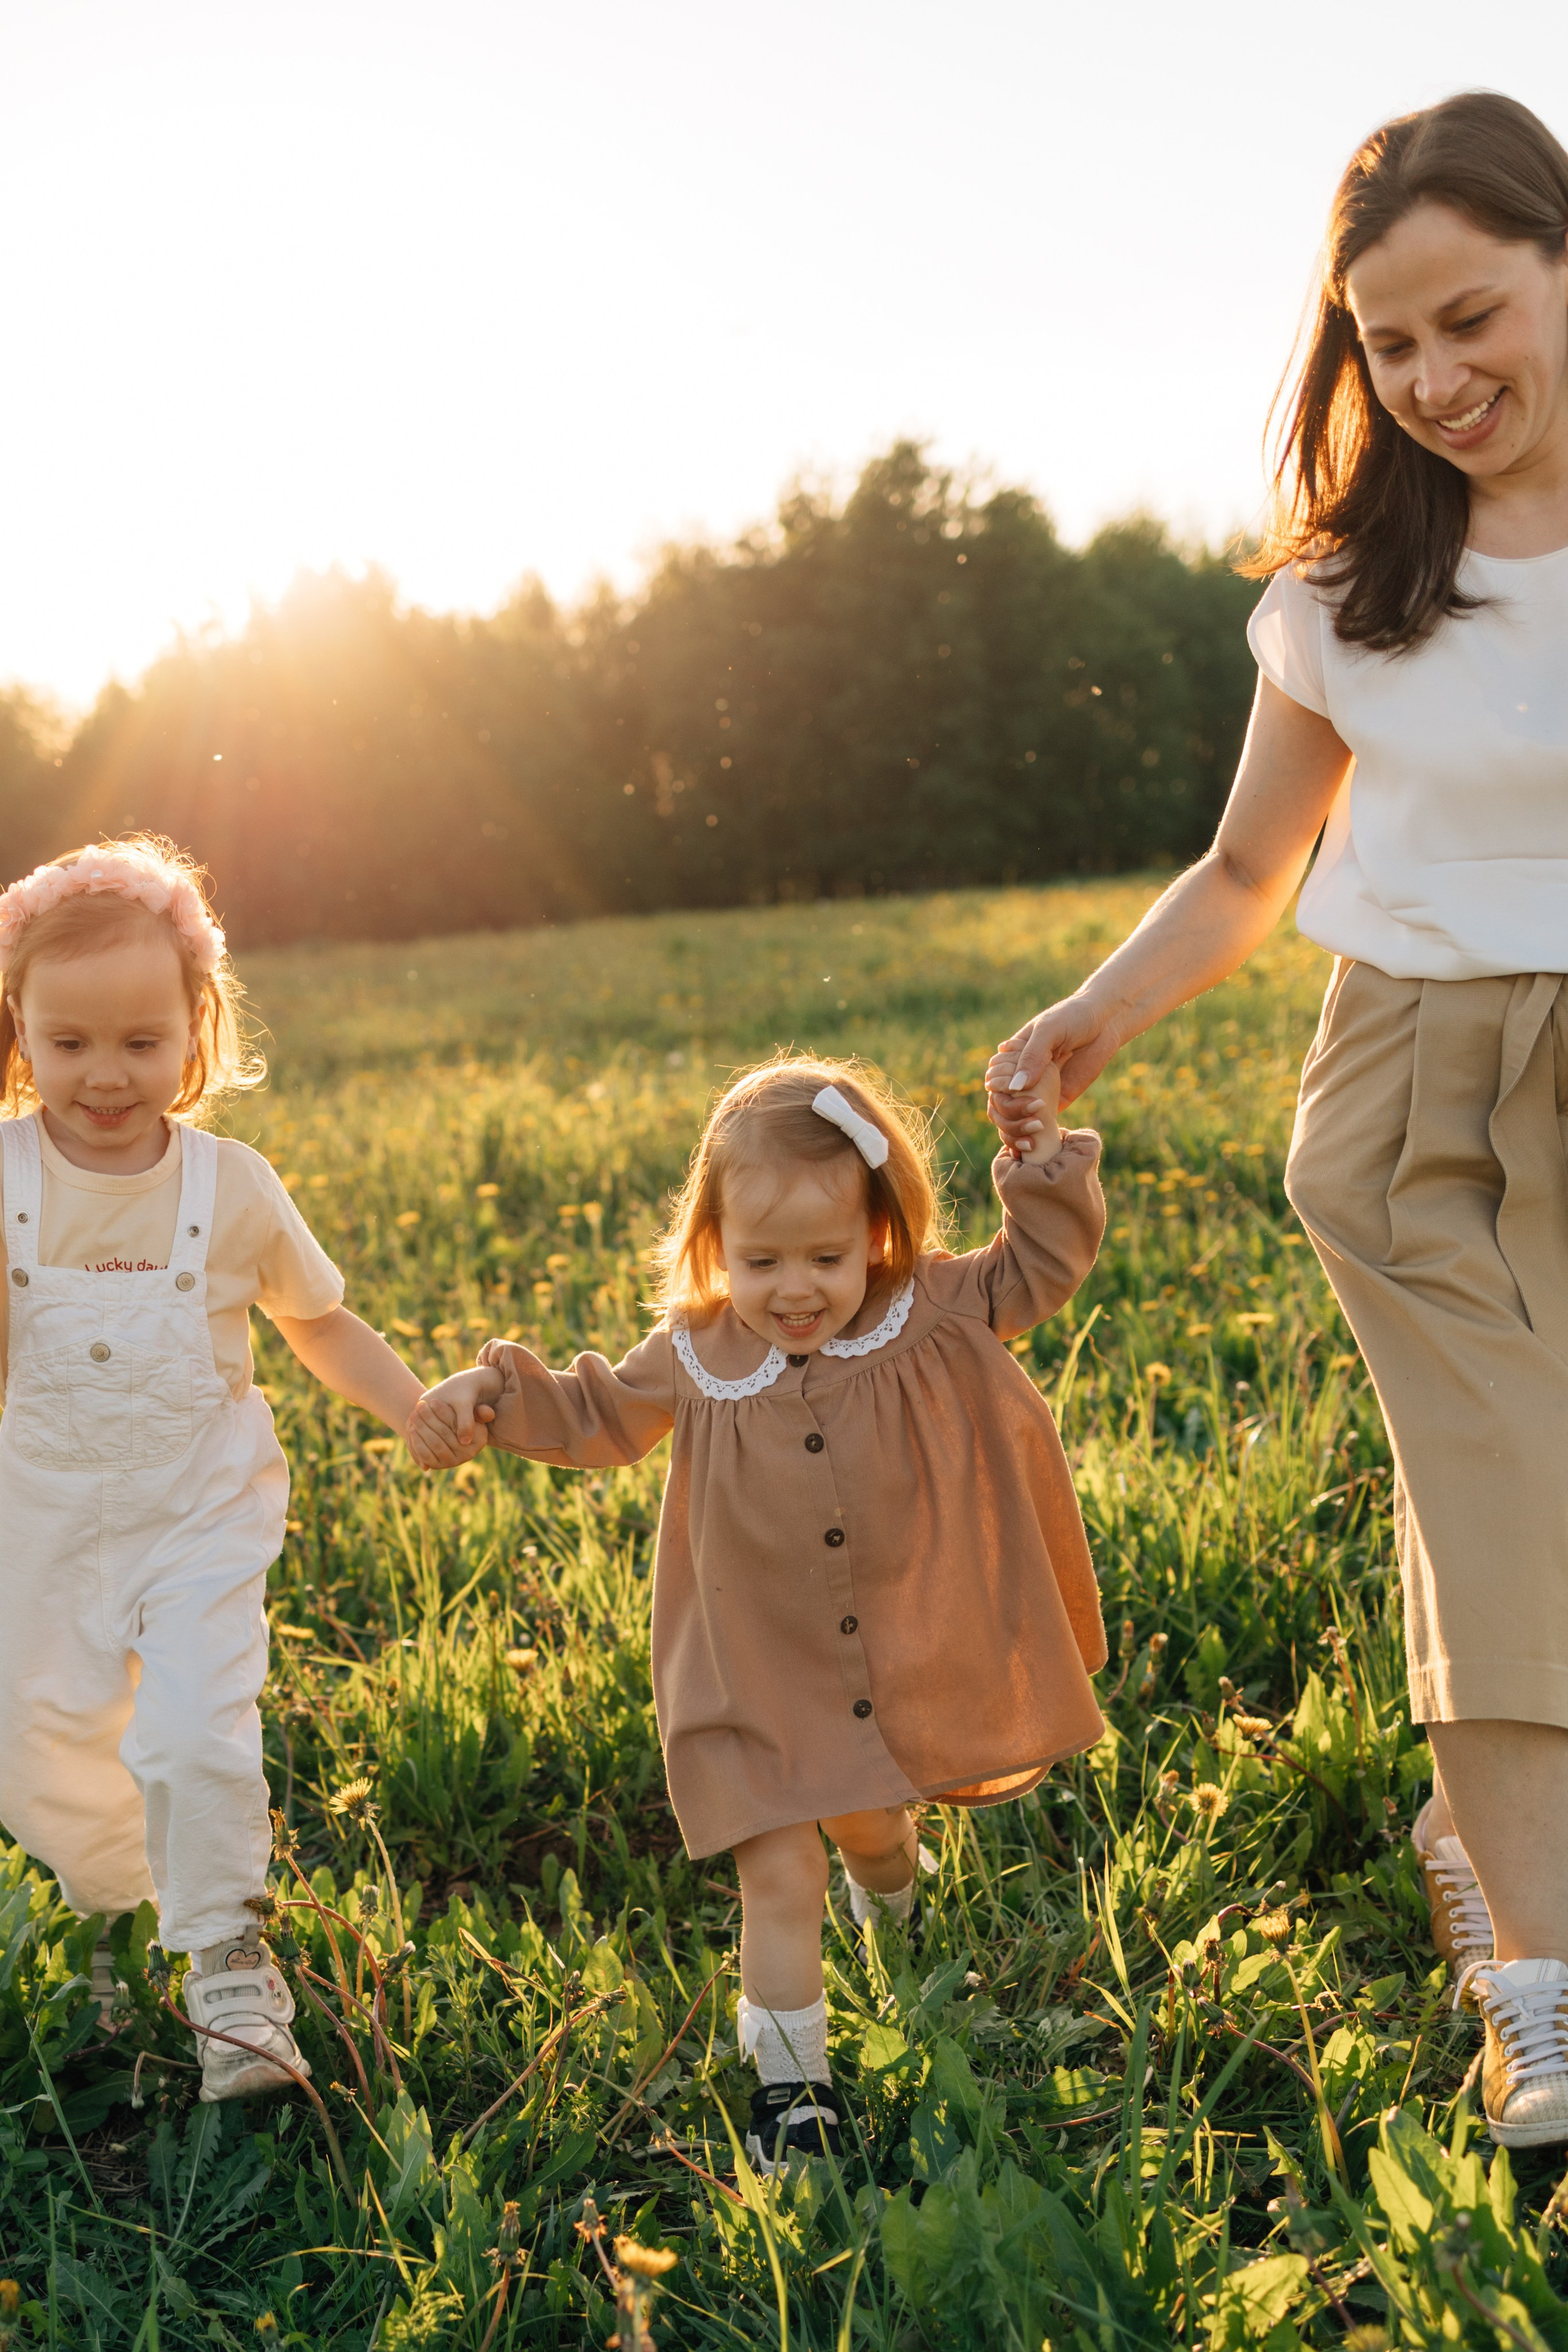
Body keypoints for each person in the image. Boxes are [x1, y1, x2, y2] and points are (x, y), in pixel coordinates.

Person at [988, 91, 1568, 2149]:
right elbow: (1246, 872)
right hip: (1411, 1090)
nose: (1434, 380)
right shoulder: (1351, 597)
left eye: (1474, 315)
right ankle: (1540, 1993)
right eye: (1388, 345)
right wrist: (1091, 1017)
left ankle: (1475, 1830)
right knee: (1497, 1513)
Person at [410, 1055, 1107, 2173]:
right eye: (760, 1259)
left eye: (827, 1257)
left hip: (892, 1649)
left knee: (875, 1832)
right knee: (777, 1873)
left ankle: (896, 1897)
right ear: (711, 1245)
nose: (794, 1288)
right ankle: (795, 2095)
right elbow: (591, 1414)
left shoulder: (926, 1306)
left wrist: (1042, 1167)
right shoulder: (694, 1355)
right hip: (748, 1671)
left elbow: (1040, 1268)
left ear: (880, 1231)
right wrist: (488, 1394)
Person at [0, 837, 426, 2101]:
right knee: (47, 1749)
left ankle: (227, 1953)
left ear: (197, 1027)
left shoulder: (230, 1188)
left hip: (195, 1515)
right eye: (68, 1042)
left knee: (195, 1732)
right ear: (19, 1028)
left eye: (141, 1040)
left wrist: (410, 1409)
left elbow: (317, 1321)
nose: (106, 1074)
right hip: (43, 1520)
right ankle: (113, 1913)